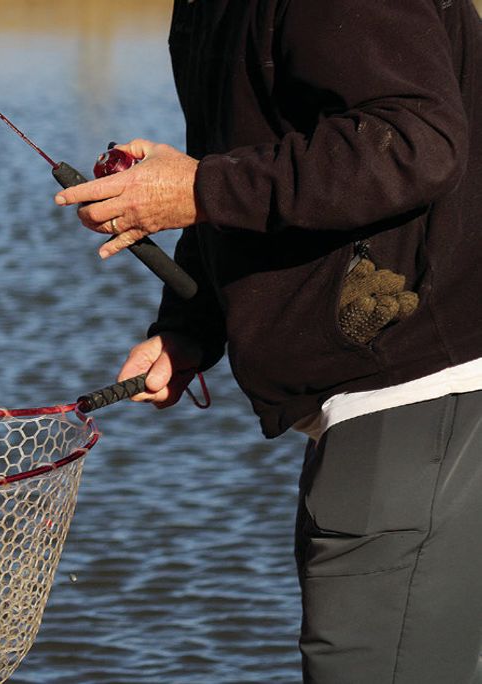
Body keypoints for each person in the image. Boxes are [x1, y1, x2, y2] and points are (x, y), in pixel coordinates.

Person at [55, 1, 482, 681]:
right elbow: (251, 159)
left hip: (420, 390)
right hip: (374, 405)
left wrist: (203, 187)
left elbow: (416, 139)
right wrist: (190, 325)